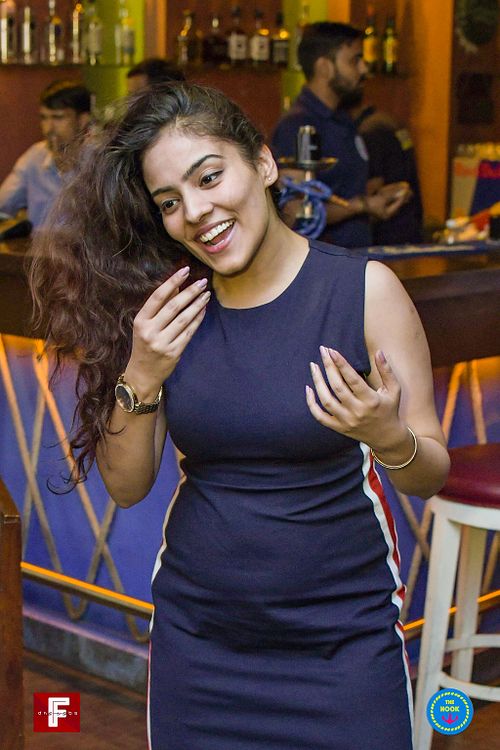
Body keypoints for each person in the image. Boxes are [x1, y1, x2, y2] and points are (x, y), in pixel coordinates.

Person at [29, 83, 449, 749]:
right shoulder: (170, 310)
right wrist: (142, 371)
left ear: (263, 163)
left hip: (342, 645)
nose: (195, 212)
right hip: (201, 645)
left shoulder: (363, 292)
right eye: (169, 202)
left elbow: (430, 473)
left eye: (209, 177)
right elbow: (127, 487)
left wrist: (389, 437)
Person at [271, 22, 410, 248]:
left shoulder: (343, 119)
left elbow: (342, 190)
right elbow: (294, 211)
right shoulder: (299, 126)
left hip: (356, 253)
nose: (364, 69)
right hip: (323, 261)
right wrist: (362, 205)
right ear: (324, 67)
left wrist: (378, 196)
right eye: (354, 61)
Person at [0, 80, 92, 230]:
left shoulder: (102, 160)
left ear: (82, 120)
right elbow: (3, 205)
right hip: (40, 245)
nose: (48, 128)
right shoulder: (35, 157)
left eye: (58, 118)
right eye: (44, 118)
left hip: (86, 246)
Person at [344, 91, 424, 245]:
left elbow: (374, 183)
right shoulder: (390, 121)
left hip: (388, 228)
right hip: (410, 221)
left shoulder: (370, 130)